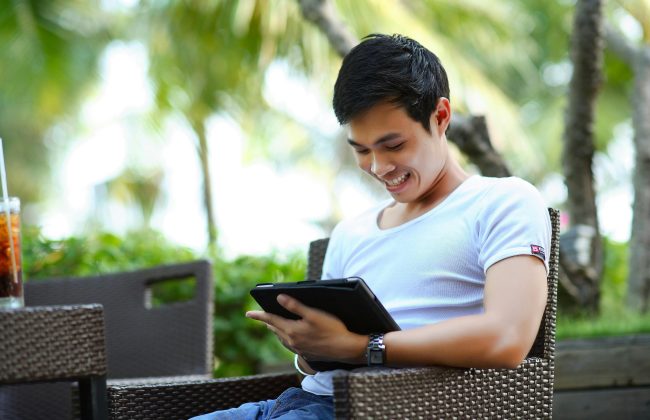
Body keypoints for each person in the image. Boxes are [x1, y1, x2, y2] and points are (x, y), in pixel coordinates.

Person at [191, 33, 551, 419]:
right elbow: (319, 366)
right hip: (297, 402)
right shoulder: (351, 231)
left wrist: (362, 347)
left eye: (393, 145)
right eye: (362, 150)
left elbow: (507, 339)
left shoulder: (502, 202)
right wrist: (310, 345)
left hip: (381, 409)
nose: (379, 167)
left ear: (440, 117)